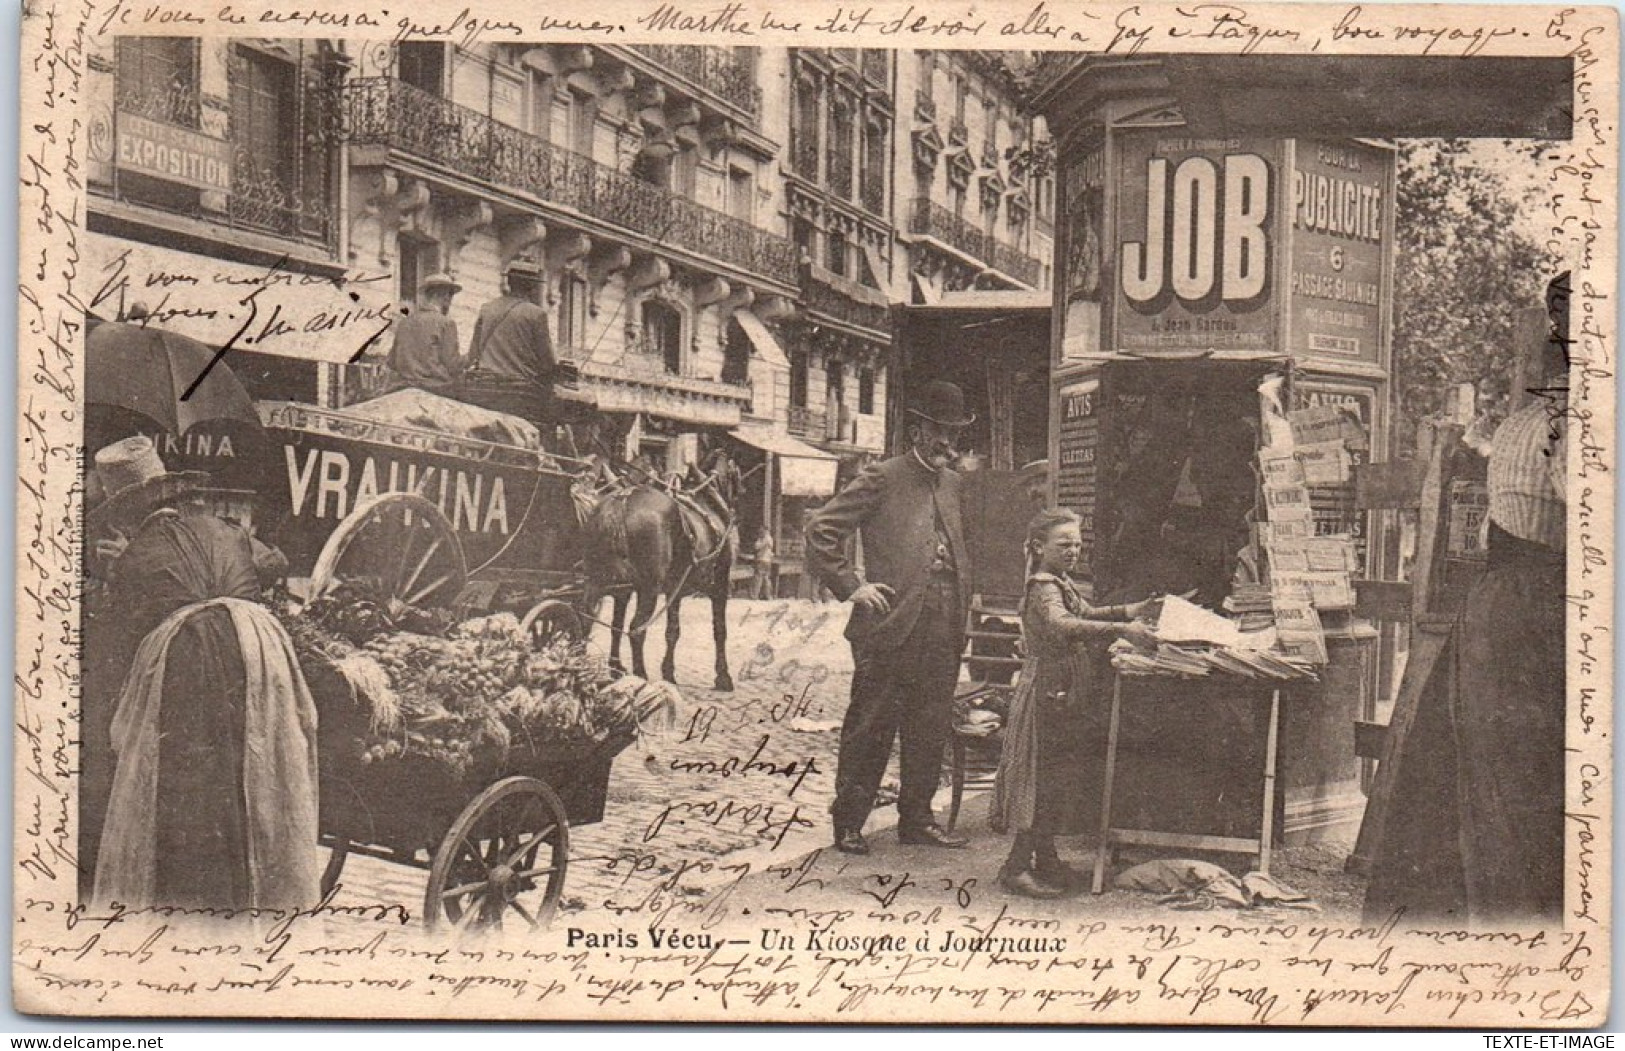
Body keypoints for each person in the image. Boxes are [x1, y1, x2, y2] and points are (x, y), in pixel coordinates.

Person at [1365, 284, 1568, 926]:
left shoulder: (1528, 420)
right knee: (1518, 772)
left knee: (1487, 763)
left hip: (1505, 604)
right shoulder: (1555, 421)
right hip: (1536, 607)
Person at [83, 436, 319, 910]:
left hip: (190, 657)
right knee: (251, 757)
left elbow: (122, 641)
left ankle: (196, 889)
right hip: (258, 648)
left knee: (188, 772)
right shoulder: (223, 527)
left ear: (126, 513)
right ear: (170, 495)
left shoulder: (133, 559)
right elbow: (276, 562)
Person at [806, 381, 977, 855]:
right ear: (919, 431)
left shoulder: (953, 484)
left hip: (944, 622)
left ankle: (917, 820)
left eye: (955, 433)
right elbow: (822, 529)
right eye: (939, 431)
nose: (948, 443)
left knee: (930, 724)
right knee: (871, 725)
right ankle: (849, 823)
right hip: (890, 624)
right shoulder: (883, 476)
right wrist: (852, 586)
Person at [991, 509, 1159, 897]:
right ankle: (1015, 868)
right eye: (1064, 544)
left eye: (1078, 544)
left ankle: (1045, 859)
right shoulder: (1043, 586)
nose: (1073, 551)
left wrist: (1128, 611)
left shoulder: (1059, 582)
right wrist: (1123, 629)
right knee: (1042, 780)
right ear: (1038, 547)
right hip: (1046, 690)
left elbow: (1083, 613)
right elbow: (1062, 625)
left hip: (1062, 686)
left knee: (1056, 778)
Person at [461, 265, 577, 429]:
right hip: (519, 394)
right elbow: (547, 362)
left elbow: (473, 354)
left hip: (483, 389)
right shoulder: (536, 314)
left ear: (509, 282)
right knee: (548, 425)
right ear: (531, 287)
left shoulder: (487, 309)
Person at [386, 272, 464, 392]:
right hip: (435, 388)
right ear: (442, 296)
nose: (450, 300)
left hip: (403, 388)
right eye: (450, 295)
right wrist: (468, 359)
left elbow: (392, 361)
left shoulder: (404, 322)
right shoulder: (446, 323)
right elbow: (452, 364)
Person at [752, 529, 776, 600]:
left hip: (762, 559)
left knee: (758, 578)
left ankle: (755, 595)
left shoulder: (763, 539)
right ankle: (768, 595)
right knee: (766, 578)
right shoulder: (770, 539)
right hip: (768, 560)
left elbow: (756, 547)